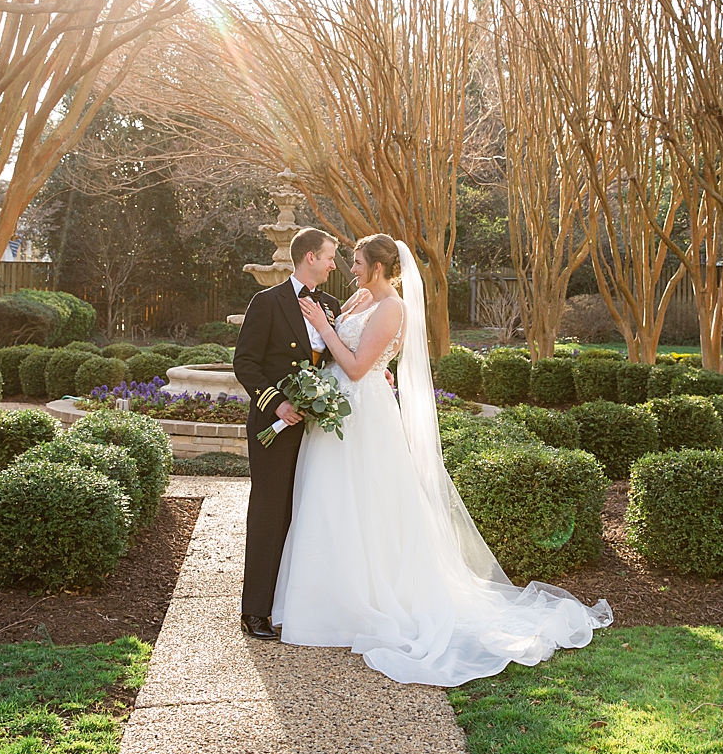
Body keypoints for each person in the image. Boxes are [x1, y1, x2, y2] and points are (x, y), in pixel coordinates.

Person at [274, 233, 611, 685]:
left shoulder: (393, 307)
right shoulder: (358, 297)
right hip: (338, 412)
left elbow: (356, 366)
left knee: (366, 503)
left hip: (364, 415)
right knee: (328, 502)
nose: (350, 269)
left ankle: (368, 601)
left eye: (356, 262)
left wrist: (324, 324)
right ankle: (322, 600)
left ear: (377, 267)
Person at [232, 227, 344, 641]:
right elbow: (245, 363)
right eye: (330, 256)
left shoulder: (330, 305)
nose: (334, 264)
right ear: (309, 257)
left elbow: (337, 359)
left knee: (308, 515)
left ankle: (295, 606)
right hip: (275, 426)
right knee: (270, 512)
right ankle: (256, 611)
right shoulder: (266, 301)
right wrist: (277, 402)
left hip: (317, 430)